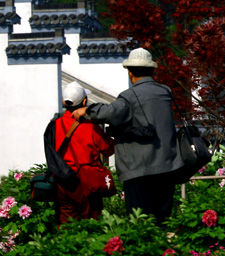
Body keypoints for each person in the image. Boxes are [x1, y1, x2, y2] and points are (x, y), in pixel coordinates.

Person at [72, 47, 183, 225]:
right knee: (162, 221)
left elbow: (111, 111)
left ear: (130, 73)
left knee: (139, 223)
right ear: (152, 70)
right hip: (166, 167)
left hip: (139, 169)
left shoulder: (129, 96)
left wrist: (87, 110)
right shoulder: (165, 92)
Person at [53, 82, 114, 226]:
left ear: (64, 102)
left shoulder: (55, 125)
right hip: (87, 181)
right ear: (85, 101)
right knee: (91, 223)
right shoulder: (90, 126)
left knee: (65, 225)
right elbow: (108, 149)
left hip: (62, 181)